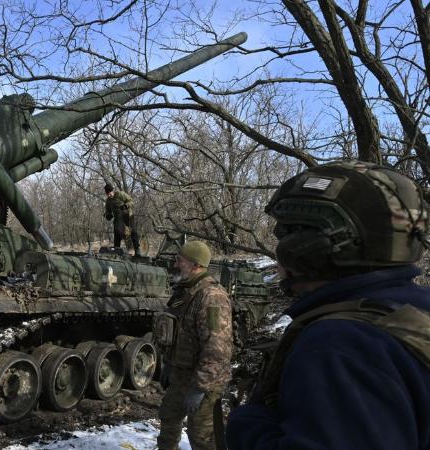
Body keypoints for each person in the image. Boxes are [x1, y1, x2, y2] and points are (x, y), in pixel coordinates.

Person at [226, 160, 430, 450]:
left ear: (304, 249)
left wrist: (248, 426)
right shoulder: (413, 310)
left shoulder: (340, 345)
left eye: (285, 235)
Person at [158, 240, 233, 450]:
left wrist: (200, 388)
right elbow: (177, 334)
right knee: (168, 419)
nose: (175, 264)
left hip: (204, 380)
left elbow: (217, 348)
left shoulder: (212, 297)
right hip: (181, 374)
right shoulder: (185, 292)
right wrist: (169, 363)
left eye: (179, 260)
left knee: (202, 437)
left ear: (196, 265)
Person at [104, 183, 142, 256]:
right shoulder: (108, 201)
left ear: (113, 191)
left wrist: (126, 205)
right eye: (107, 194)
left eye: (110, 193)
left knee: (133, 232)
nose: (109, 195)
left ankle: (137, 249)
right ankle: (116, 251)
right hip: (118, 217)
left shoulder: (121, 194)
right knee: (117, 233)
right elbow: (107, 211)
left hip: (128, 215)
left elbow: (131, 201)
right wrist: (108, 215)